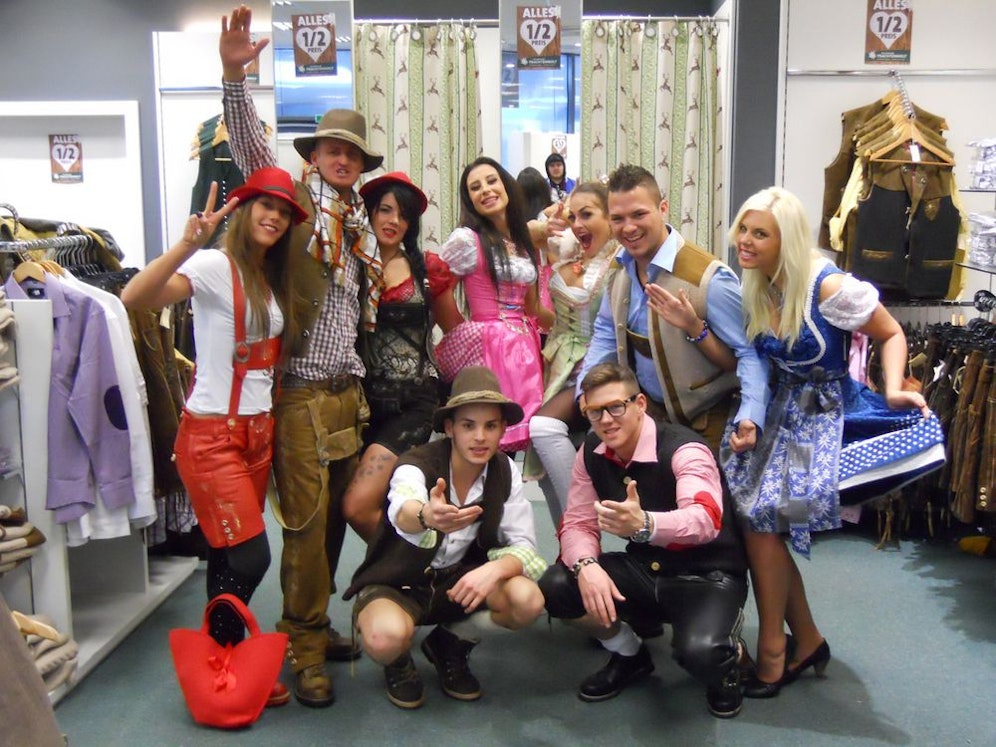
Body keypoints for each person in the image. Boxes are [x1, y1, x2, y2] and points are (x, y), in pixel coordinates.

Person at [720, 186, 945, 697]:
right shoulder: (756, 283)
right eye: (743, 229)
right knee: (760, 525)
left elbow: (891, 332)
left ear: (787, 240)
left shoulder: (828, 286)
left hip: (822, 419)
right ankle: (806, 641)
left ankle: (778, 649)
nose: (745, 241)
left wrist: (892, 386)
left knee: (766, 524)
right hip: (778, 417)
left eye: (760, 233)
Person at [219, 6, 379, 706]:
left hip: (347, 391)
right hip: (301, 395)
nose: (341, 160)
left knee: (336, 519)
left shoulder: (362, 223)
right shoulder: (295, 205)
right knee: (306, 528)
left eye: (352, 154)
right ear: (313, 156)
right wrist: (234, 78)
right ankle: (304, 646)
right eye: (332, 150)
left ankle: (312, 623)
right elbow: (251, 151)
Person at [121, 167, 308, 709]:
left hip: (257, 433)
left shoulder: (270, 277)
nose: (274, 217)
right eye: (265, 206)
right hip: (212, 436)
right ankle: (218, 653)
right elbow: (136, 296)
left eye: (284, 212)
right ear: (244, 210)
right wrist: (187, 244)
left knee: (227, 556)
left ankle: (221, 667)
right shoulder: (211, 265)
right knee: (252, 557)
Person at [539, 363, 749, 719]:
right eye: (594, 411)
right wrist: (587, 566)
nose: (606, 420)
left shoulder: (685, 449)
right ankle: (629, 655)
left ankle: (730, 659)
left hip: (707, 577)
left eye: (615, 407)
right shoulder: (591, 450)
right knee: (558, 584)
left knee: (700, 655)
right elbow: (577, 522)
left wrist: (647, 524)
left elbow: (705, 519)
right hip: (646, 570)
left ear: (639, 404)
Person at [344, 366, 546, 709]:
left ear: (502, 430)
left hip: (457, 582)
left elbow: (524, 545)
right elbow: (403, 508)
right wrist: (426, 516)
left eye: (490, 426)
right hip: (400, 583)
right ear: (450, 428)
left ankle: (449, 643)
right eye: (468, 425)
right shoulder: (415, 465)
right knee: (384, 638)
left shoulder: (504, 470)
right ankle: (398, 661)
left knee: (527, 601)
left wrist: (495, 570)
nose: (480, 437)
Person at [577, 164, 768, 453]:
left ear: (663, 208)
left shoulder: (708, 278)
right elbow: (605, 332)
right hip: (649, 423)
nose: (628, 227)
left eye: (639, 214)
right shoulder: (619, 269)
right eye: (618, 218)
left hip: (708, 423)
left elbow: (749, 351)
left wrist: (751, 415)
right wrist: (585, 390)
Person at [430, 156, 553, 452]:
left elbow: (533, 309)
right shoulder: (467, 240)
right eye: (475, 187)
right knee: (490, 437)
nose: (485, 190)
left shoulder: (522, 242)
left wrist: (572, 325)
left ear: (506, 185)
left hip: (525, 347)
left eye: (491, 181)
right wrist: (465, 332)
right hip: (489, 348)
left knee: (531, 436)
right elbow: (439, 288)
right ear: (470, 200)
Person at [341, 172, 439, 543]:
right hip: (363, 405)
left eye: (403, 215)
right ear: (370, 213)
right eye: (385, 210)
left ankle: (418, 564)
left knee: (357, 505)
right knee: (379, 505)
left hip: (413, 403)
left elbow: (455, 327)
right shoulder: (351, 266)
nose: (393, 221)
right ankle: (409, 567)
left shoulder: (426, 269)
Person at [527, 181, 619, 525]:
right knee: (546, 462)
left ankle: (579, 526)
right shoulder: (567, 256)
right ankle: (567, 539)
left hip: (601, 367)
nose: (578, 224)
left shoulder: (621, 262)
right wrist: (549, 222)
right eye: (573, 216)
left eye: (587, 214)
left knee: (547, 430)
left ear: (610, 216)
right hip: (558, 364)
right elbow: (543, 316)